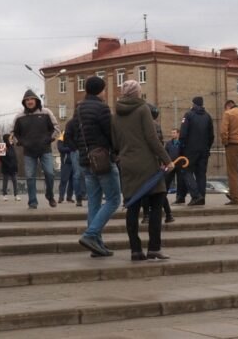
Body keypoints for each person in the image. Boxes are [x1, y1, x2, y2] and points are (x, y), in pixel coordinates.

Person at [113, 80, 174, 261]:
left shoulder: (115, 114)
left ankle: (136, 250)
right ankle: (154, 248)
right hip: (147, 164)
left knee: (132, 206)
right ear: (138, 93)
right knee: (156, 204)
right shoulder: (143, 109)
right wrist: (167, 160)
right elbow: (152, 138)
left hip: (126, 164)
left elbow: (115, 143)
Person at [74, 76, 121, 257]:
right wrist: (116, 151)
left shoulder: (79, 109)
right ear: (101, 90)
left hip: (86, 160)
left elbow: (73, 133)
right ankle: (91, 235)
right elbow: (111, 133)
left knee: (93, 202)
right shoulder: (102, 108)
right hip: (102, 159)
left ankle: (97, 244)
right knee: (114, 199)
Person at [11, 90, 61, 209]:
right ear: (24, 102)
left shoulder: (46, 112)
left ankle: (50, 195)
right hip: (29, 152)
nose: (29, 102)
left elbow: (56, 128)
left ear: (36, 100)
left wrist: (49, 140)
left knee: (50, 173)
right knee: (29, 177)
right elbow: (12, 134)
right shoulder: (19, 116)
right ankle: (32, 201)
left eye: (31, 99)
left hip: (45, 149)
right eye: (27, 100)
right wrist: (21, 143)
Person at [178, 96, 212, 204]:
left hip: (190, 150)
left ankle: (196, 195)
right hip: (204, 150)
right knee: (201, 174)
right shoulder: (208, 116)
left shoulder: (188, 115)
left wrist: (181, 148)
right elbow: (212, 136)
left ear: (193, 104)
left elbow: (183, 134)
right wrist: (207, 147)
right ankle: (202, 198)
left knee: (186, 171)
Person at [0, 133, 20, 201]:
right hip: (6, 167)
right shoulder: (3, 147)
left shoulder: (12, 147)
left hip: (13, 167)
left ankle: (16, 195)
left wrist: (15, 165)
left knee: (15, 181)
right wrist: (8, 164)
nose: (11, 140)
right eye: (10, 138)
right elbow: (2, 158)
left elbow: (14, 157)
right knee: (5, 181)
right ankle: (5, 195)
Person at [57, 133, 75, 203]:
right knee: (64, 180)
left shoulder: (74, 135)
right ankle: (61, 197)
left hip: (74, 161)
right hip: (66, 162)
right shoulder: (62, 137)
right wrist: (71, 148)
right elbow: (60, 148)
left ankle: (69, 197)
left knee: (72, 181)